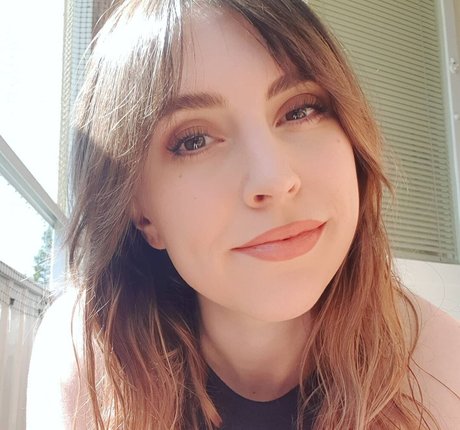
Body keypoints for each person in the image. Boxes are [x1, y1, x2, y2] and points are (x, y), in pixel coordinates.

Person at [27, 0, 460, 429]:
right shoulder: (87, 361)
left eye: (300, 110)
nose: (274, 179)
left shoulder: (442, 369)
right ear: (141, 213)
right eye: (194, 140)